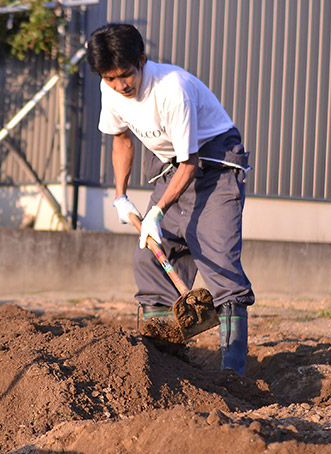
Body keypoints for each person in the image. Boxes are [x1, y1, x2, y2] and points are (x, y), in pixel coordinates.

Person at [86, 23, 255, 375]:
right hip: (170, 167)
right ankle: (165, 363)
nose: (120, 86)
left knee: (218, 258)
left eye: (125, 75)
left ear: (142, 61)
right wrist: (121, 196)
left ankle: (233, 372)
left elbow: (191, 161)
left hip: (213, 164)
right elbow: (120, 139)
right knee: (149, 261)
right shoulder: (111, 90)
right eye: (110, 78)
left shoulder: (171, 88)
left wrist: (158, 211)